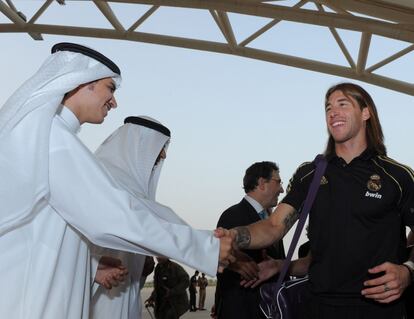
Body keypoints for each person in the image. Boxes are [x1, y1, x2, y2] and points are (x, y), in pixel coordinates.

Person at [0, 42, 232, 319]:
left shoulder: (50, 137)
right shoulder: (53, 140)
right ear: (80, 82)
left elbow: (44, 236)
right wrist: (205, 246)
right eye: (110, 88)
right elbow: (114, 215)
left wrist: (92, 265)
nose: (114, 102)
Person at [230, 83, 414, 319]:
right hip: (317, 307)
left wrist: (408, 271)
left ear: (366, 113)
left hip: (380, 310)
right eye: (328, 107)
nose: (332, 112)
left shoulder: (397, 177)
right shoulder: (311, 174)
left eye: (342, 104)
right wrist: (232, 237)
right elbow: (274, 226)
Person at [90, 115, 186, 319]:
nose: (163, 156)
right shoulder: (108, 180)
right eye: (158, 147)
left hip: (124, 294)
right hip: (100, 299)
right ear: (140, 145)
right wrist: (213, 249)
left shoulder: (129, 187)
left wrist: (141, 260)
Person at [215, 161, 285, 319]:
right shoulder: (232, 216)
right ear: (262, 183)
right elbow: (221, 267)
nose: (282, 189)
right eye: (279, 182)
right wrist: (236, 264)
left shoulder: (273, 221)